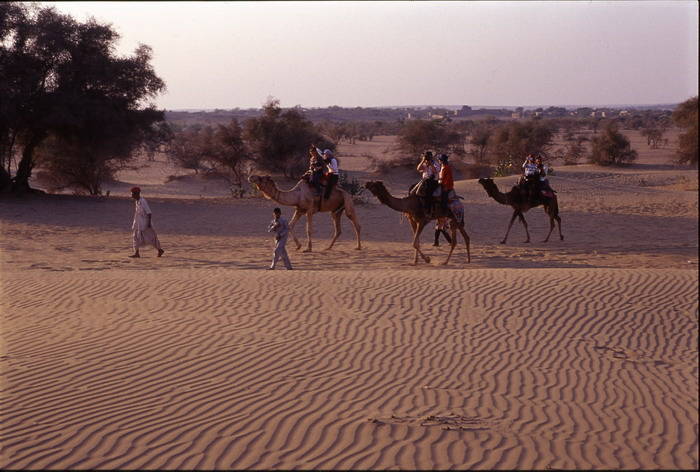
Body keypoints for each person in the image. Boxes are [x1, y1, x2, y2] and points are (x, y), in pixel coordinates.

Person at [129, 187, 164, 258]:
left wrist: (148, 224)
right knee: (135, 237)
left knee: (151, 237)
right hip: (138, 223)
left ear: (137, 194)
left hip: (145, 223)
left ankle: (159, 250)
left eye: (132, 194)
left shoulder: (143, 201)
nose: (131, 195)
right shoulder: (137, 202)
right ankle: (136, 253)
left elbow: (149, 212)